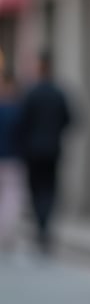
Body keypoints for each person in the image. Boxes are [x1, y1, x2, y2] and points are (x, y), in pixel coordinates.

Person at [16, 51, 73, 254]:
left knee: (36, 188)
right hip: (52, 149)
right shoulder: (59, 93)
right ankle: (44, 226)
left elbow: (20, 122)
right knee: (49, 188)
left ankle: (41, 227)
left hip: (32, 150)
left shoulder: (31, 94)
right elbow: (70, 119)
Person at [0, 59, 24, 254]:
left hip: (11, 158)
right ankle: (7, 234)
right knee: (12, 197)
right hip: (13, 158)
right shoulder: (18, 110)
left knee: (9, 196)